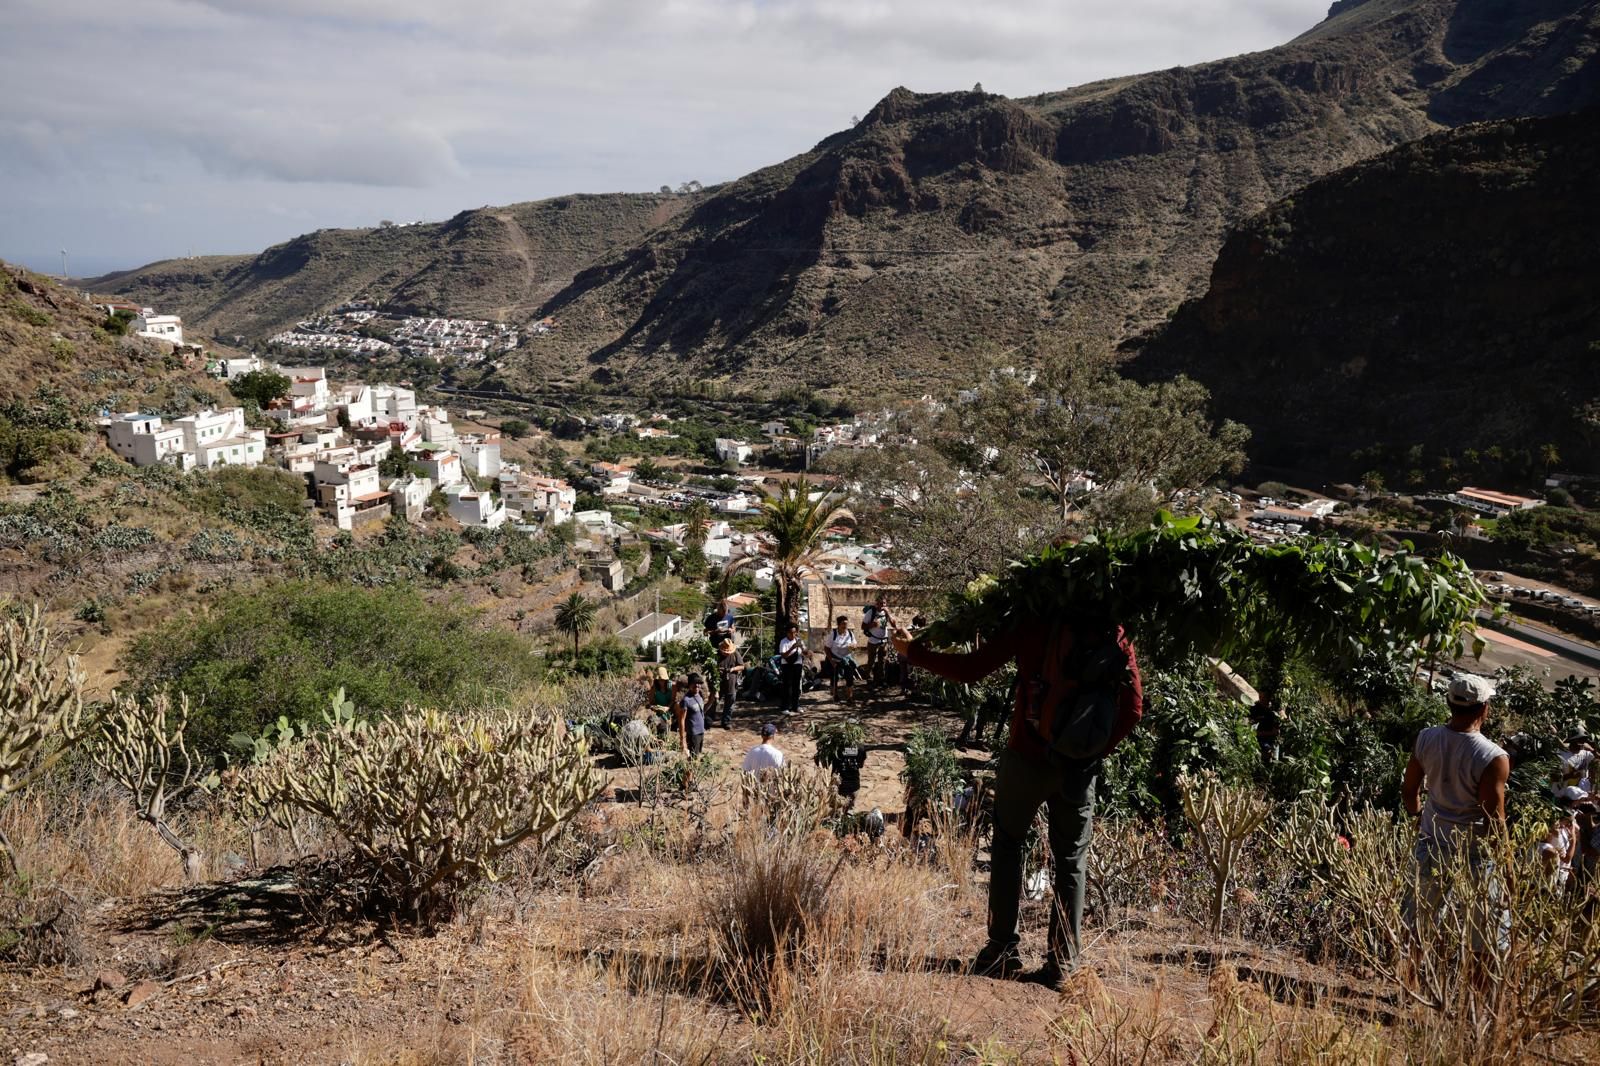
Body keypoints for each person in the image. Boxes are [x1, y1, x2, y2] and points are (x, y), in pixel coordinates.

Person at [892, 615, 1141, 989]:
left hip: (1027, 756)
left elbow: (971, 669)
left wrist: (913, 651)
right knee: (1072, 860)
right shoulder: (1114, 631)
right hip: (1079, 769)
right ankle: (1063, 964)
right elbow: (1134, 706)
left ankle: (1001, 951)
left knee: (1009, 844)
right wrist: (1091, 750)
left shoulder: (1033, 621)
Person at [1400, 674, 1510, 965]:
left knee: (1418, 922)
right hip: (1474, 854)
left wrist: (1417, 816)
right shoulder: (1492, 756)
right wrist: (1507, 864)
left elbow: (1409, 790)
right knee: (1486, 933)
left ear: (1449, 704)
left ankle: (1407, 987)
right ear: (1484, 709)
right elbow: (1494, 818)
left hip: (1433, 841)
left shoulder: (1427, 738)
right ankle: (1474, 1006)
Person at [817, 721, 868, 810]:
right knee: (850, 811)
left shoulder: (835, 746)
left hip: (838, 786)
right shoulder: (860, 747)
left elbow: (826, 763)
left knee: (836, 813)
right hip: (854, 785)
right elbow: (861, 765)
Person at [825, 614, 860, 703]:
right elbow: (826, 648)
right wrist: (831, 660)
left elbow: (855, 644)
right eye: (843, 624)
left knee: (849, 678)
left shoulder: (850, 634)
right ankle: (835, 695)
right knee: (835, 678)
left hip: (846, 659)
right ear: (839, 624)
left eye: (846, 624)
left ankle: (849, 698)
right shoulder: (833, 634)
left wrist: (854, 646)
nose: (845, 626)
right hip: (834, 658)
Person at [862, 595, 892, 688]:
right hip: (873, 640)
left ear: (886, 603)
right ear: (876, 603)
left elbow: (894, 624)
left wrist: (888, 613)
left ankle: (880, 680)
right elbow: (863, 626)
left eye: (883, 603)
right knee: (871, 661)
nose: (881, 605)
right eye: (879, 603)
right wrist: (872, 625)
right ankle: (869, 679)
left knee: (882, 661)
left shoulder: (886, 612)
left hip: (883, 641)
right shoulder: (871, 612)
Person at [715, 637, 746, 729]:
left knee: (730, 702)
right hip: (718, 681)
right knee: (714, 701)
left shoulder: (735, 654)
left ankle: (726, 721)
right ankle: (709, 719)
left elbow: (742, 666)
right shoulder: (716, 655)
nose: (726, 653)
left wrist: (732, 669)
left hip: (731, 681)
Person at [777, 622, 806, 717]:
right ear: (787, 632)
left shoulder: (799, 640)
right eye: (791, 632)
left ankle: (795, 706)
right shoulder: (783, 642)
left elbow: (805, 652)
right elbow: (783, 655)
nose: (793, 634)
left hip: (797, 665)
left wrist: (803, 648)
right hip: (787, 666)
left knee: (796, 687)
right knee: (787, 687)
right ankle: (785, 707)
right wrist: (792, 648)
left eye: (795, 632)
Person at [1553, 732, 1594, 796]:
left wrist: (1592, 749)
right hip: (1564, 789)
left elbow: (1597, 757)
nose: (1581, 745)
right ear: (1572, 742)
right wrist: (1570, 775)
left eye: (1583, 742)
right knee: (1571, 791)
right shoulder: (1561, 754)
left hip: (1581, 789)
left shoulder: (1585, 753)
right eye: (1579, 743)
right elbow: (1554, 777)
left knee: (1585, 783)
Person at [678, 673, 708, 756]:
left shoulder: (699, 695)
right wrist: (682, 740)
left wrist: (712, 698)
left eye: (698, 683)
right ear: (689, 685)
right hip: (693, 734)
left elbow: (701, 711)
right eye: (694, 683)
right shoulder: (686, 700)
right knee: (693, 758)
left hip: (701, 731)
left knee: (697, 755)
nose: (697, 685)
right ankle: (691, 769)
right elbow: (681, 720)